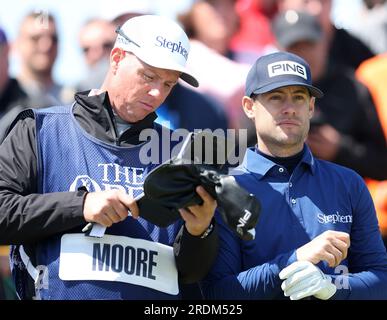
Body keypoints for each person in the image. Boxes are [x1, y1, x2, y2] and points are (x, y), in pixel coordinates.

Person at [0, 15, 218, 300]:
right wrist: (81, 205)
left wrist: (200, 231)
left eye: (169, 84)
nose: (156, 93)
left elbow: (193, 276)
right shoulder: (40, 129)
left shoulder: (184, 154)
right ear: (116, 58)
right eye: (149, 76)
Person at [200, 51, 387, 299]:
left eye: (298, 97)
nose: (289, 109)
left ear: (310, 107)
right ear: (249, 107)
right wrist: (295, 261)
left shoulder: (348, 183)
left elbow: (381, 280)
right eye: (276, 97)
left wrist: (330, 287)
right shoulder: (226, 189)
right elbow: (217, 293)